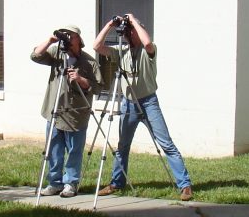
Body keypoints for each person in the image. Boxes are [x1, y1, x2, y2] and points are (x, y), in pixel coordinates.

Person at [93, 13, 192, 201]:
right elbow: (96, 47)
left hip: (148, 102)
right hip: (128, 103)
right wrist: (110, 25)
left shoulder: (150, 52)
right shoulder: (120, 51)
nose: (129, 33)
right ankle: (116, 182)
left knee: (166, 143)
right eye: (128, 30)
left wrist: (133, 21)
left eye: (132, 30)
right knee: (123, 146)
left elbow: (147, 43)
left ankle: (185, 185)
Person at [31, 24, 104, 198]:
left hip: (76, 114)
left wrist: (80, 79)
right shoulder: (56, 53)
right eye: (65, 35)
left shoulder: (89, 62)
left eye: (70, 35)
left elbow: (98, 87)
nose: (67, 38)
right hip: (54, 110)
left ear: (78, 39)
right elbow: (35, 56)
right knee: (54, 150)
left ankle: (71, 183)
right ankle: (54, 183)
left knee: (74, 151)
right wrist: (50, 40)